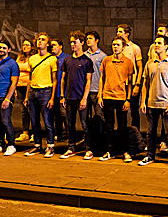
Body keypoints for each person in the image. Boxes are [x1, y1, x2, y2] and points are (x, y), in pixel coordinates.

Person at [139, 35, 168, 168]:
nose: (156, 45)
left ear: (166, 46)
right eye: (155, 43)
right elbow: (145, 84)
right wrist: (143, 102)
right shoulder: (150, 63)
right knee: (150, 133)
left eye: (159, 43)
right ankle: (150, 156)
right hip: (151, 103)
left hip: (166, 104)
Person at [99, 36, 136, 162]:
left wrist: (128, 99)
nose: (115, 47)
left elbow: (130, 82)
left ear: (123, 47)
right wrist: (100, 95)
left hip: (121, 97)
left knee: (122, 126)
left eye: (118, 45)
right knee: (108, 125)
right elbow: (102, 78)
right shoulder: (106, 60)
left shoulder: (128, 62)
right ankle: (109, 151)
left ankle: (125, 151)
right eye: (114, 44)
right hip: (108, 96)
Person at [58, 31, 93, 159]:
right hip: (69, 98)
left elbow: (88, 81)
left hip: (81, 98)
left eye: (75, 42)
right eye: (71, 42)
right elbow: (63, 79)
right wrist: (62, 96)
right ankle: (71, 148)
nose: (73, 44)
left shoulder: (87, 61)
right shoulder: (67, 60)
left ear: (82, 43)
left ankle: (89, 149)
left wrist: (84, 98)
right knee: (70, 124)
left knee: (85, 124)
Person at [23, 33, 58, 157]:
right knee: (34, 120)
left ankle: (50, 145)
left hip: (46, 91)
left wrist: (53, 97)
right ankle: (37, 145)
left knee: (48, 121)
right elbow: (30, 78)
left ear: (47, 44)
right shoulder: (32, 59)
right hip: (33, 91)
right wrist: (27, 96)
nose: (40, 42)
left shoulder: (52, 59)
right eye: (38, 40)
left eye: (43, 40)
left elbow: (55, 80)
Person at [84, 31, 108, 159]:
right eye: (87, 39)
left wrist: (101, 93)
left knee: (100, 119)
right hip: (86, 92)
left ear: (97, 40)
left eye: (91, 38)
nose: (88, 41)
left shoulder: (103, 56)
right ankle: (88, 146)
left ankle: (101, 146)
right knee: (86, 120)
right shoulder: (83, 56)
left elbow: (104, 76)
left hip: (97, 92)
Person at [117, 24, 145, 130]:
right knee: (121, 110)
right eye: (118, 31)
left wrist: (137, 84)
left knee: (134, 110)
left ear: (127, 34)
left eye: (120, 32)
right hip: (121, 83)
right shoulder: (118, 47)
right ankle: (122, 133)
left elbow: (140, 68)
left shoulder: (134, 48)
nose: (118, 33)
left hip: (132, 83)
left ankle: (135, 133)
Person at [15, 39, 36, 144]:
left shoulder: (33, 58)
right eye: (23, 45)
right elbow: (15, 72)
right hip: (20, 86)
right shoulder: (20, 58)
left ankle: (34, 133)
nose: (25, 47)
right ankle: (25, 132)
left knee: (31, 110)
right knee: (23, 110)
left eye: (27, 45)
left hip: (30, 86)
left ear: (32, 47)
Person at [50, 38, 68, 141]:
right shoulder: (50, 58)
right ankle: (59, 134)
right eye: (51, 45)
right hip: (53, 91)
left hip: (63, 91)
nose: (53, 47)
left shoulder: (66, 58)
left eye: (55, 45)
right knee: (56, 115)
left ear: (60, 46)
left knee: (64, 114)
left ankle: (70, 134)